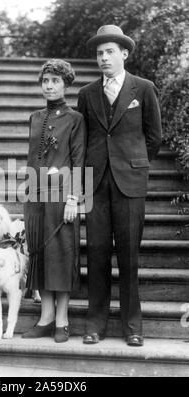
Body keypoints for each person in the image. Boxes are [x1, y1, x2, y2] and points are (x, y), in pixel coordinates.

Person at [78, 25, 162, 347]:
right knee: (97, 254)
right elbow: (84, 139)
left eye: (109, 52)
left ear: (124, 54)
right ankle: (95, 325)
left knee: (129, 256)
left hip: (130, 182)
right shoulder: (86, 94)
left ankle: (132, 326)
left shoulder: (143, 88)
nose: (103, 58)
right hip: (96, 183)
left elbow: (153, 137)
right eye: (99, 53)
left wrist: (134, 163)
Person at [22, 59, 86, 343]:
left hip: (62, 198)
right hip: (36, 196)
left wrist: (73, 198)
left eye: (55, 81)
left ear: (66, 84)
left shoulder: (75, 119)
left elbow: (78, 160)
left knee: (61, 255)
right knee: (40, 255)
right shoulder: (35, 117)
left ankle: (62, 320)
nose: (49, 86)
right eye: (45, 81)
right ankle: (45, 318)